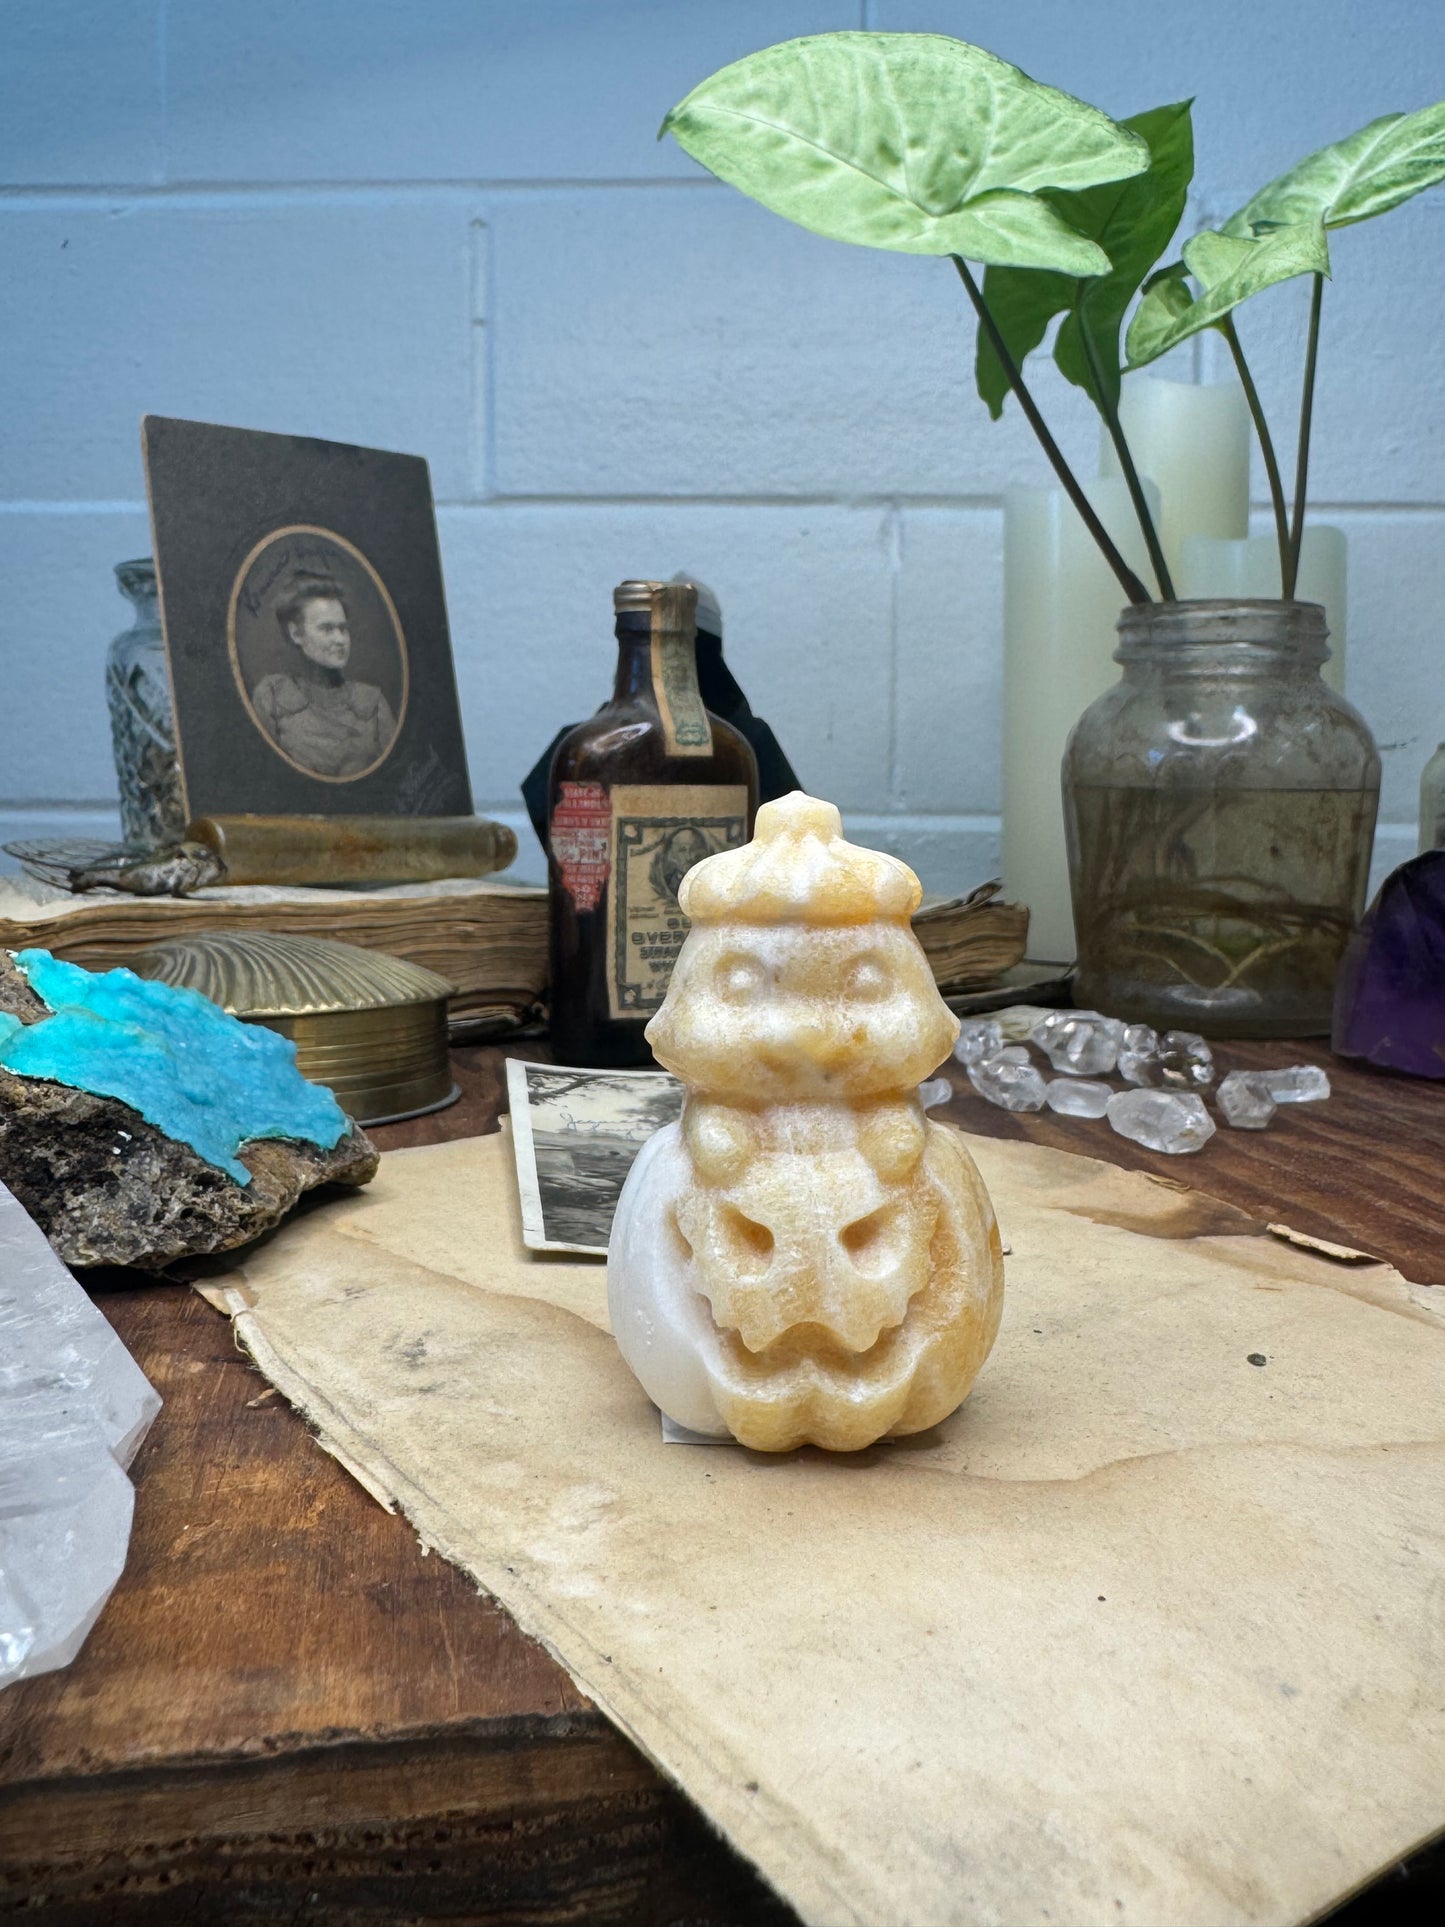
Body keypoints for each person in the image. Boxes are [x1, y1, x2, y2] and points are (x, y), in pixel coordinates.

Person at [251, 576, 397, 778]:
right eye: (327, 629)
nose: (340, 640)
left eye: (343, 629)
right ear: (296, 634)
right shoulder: (272, 698)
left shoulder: (372, 703)